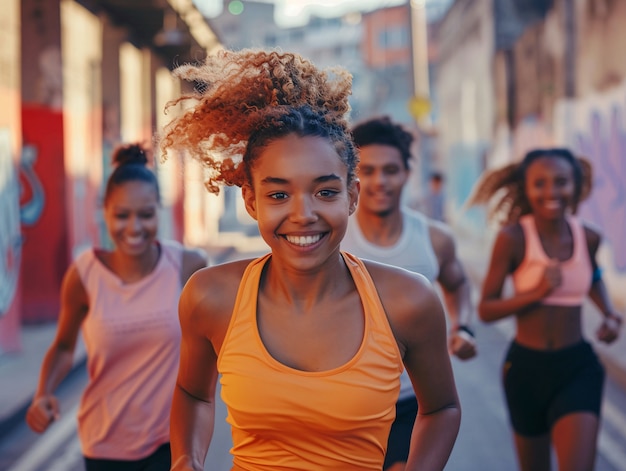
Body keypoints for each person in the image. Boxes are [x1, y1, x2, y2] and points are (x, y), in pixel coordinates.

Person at [158, 48, 461, 471]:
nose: (303, 214)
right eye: (279, 194)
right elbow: (192, 393)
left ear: (352, 196)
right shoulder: (210, 297)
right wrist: (185, 459)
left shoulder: (407, 301)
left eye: (325, 192)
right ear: (251, 200)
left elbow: (442, 408)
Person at [26, 143, 208, 471]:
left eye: (146, 214)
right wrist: (43, 393)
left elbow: (217, 346)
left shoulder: (188, 266)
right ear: (104, 212)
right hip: (105, 444)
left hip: (172, 442)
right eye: (122, 215)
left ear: (159, 210)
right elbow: (65, 347)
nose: (134, 227)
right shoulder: (84, 276)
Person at [467, 147, 623, 471]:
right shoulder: (513, 239)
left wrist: (609, 312)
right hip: (526, 369)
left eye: (561, 182)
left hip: (577, 367)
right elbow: (486, 309)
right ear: (527, 187)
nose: (552, 191)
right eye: (541, 183)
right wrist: (537, 292)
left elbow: (592, 274)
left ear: (575, 187)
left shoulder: (589, 236)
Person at [342, 115, 476, 471]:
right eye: (367, 171)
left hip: (407, 402)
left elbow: (458, 283)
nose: (379, 181)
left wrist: (462, 327)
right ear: (350, 177)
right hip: (340, 404)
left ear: (407, 173)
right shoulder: (332, 239)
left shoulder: (434, 239)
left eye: (390, 170)